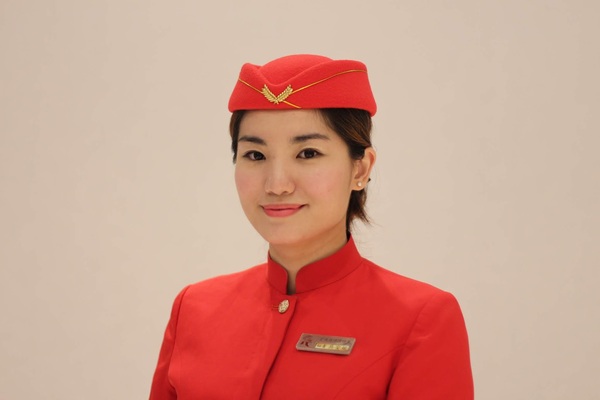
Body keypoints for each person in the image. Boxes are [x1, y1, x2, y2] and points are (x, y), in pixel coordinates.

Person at [149, 54, 474, 399]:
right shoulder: (194, 309)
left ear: (361, 169)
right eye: (255, 155)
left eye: (308, 153)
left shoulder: (419, 320)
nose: (277, 184)